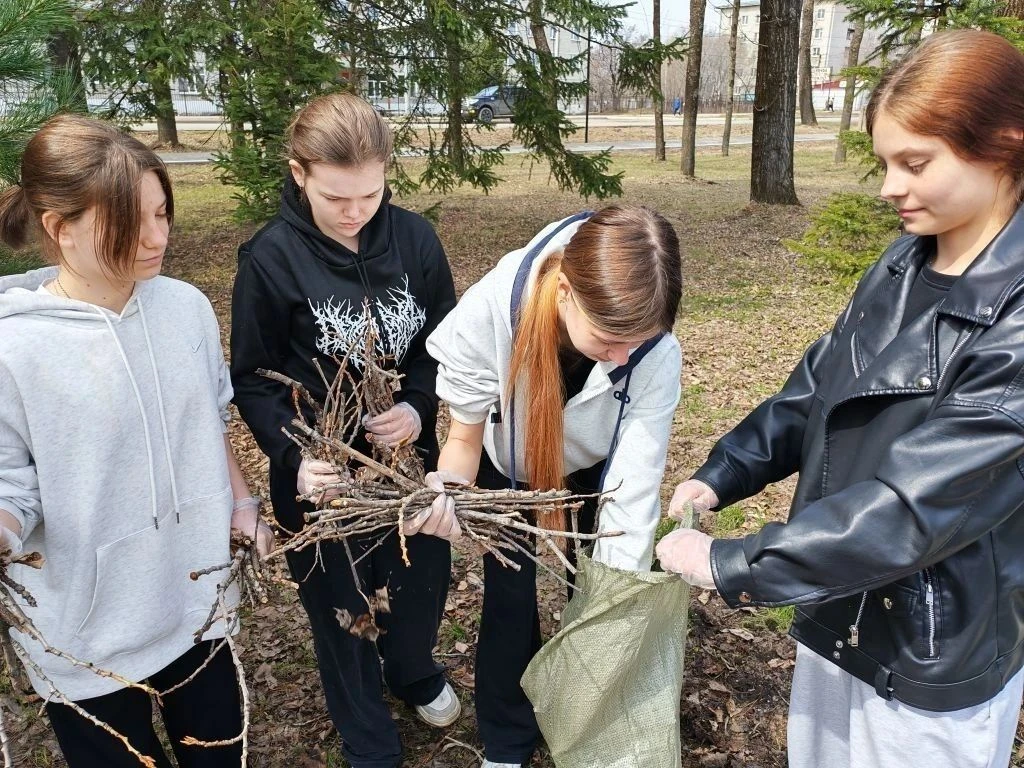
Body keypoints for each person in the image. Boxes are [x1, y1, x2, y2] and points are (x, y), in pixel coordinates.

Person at [657, 29, 1024, 768]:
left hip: (927, 650)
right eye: (885, 163)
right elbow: (817, 389)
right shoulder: (904, 260)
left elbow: (915, 509)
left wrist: (732, 564)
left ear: (1005, 145)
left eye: (915, 163)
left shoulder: (1015, 320)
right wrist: (724, 472)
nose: (889, 187)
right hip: (837, 606)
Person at [0, 114, 270, 768]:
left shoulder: (185, 308)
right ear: (59, 228)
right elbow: (12, 486)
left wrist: (242, 506)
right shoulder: (15, 348)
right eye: (129, 223)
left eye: (162, 213)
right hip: (84, 637)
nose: (157, 238)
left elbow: (207, 420)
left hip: (196, 602)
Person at [230, 92, 458, 768]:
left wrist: (417, 405)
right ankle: (368, 738)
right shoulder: (269, 258)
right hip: (321, 480)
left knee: (421, 585)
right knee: (342, 610)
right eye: (336, 198)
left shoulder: (415, 240)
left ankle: (412, 670)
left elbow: (443, 344)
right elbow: (253, 377)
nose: (355, 212)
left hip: (407, 466)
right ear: (299, 173)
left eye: (370, 194)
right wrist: (296, 455)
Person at [417, 205, 683, 768]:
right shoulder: (491, 310)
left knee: (597, 585)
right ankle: (507, 738)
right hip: (507, 457)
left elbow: (634, 492)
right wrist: (451, 492)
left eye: (638, 343)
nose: (623, 358)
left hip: (596, 461)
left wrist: (614, 604)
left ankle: (586, 718)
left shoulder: (656, 352)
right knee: (509, 593)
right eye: (608, 339)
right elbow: (463, 440)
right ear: (565, 293)